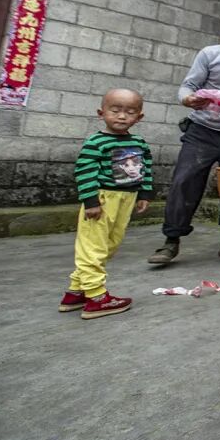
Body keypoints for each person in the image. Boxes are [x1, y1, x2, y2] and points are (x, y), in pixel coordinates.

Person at [148, 15, 220, 265]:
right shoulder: (211, 54)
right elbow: (187, 86)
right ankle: (171, 240)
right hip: (202, 130)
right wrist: (188, 99)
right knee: (184, 181)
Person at [59, 88, 153, 319]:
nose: (122, 116)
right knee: (93, 247)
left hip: (126, 200)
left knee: (110, 244)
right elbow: (84, 171)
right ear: (101, 113)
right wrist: (91, 201)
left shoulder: (139, 142)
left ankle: (76, 292)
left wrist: (144, 194)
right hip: (102, 200)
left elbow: (146, 168)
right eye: (115, 110)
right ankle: (96, 297)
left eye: (130, 112)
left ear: (139, 117)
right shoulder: (96, 142)